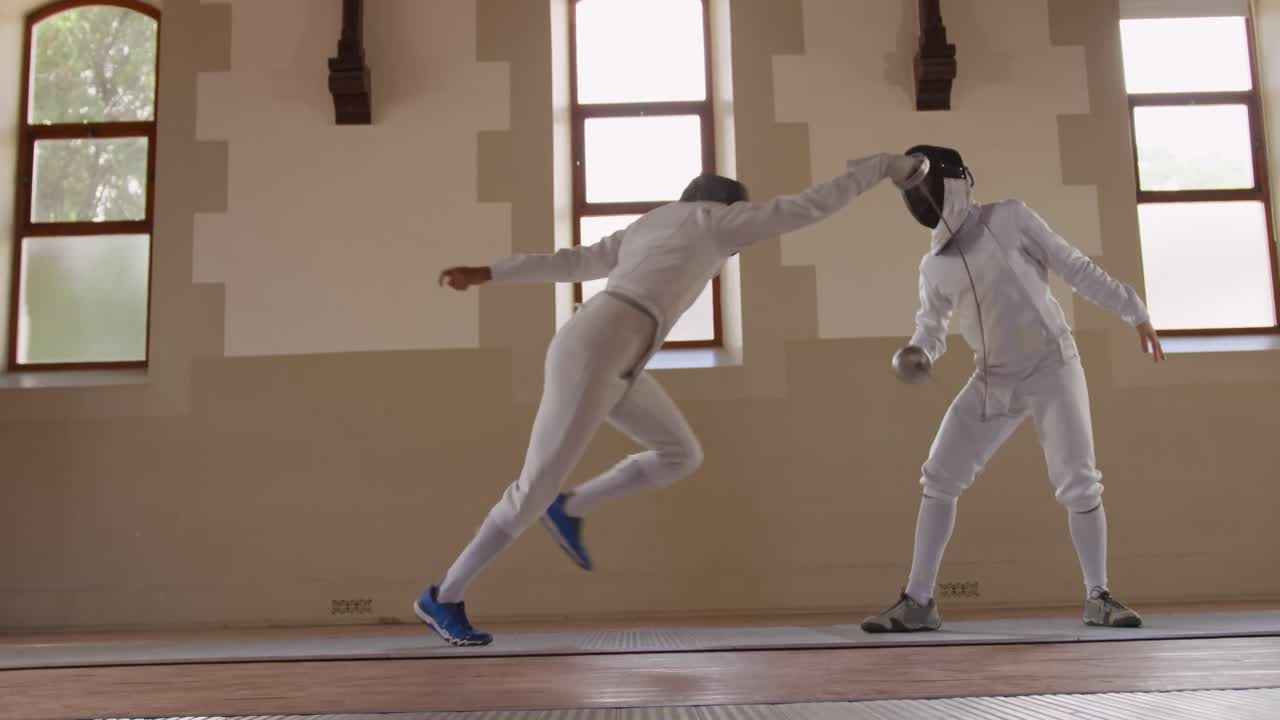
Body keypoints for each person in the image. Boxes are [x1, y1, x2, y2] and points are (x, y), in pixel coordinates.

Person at [416, 152, 926, 646]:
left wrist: (491, 272)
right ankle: (445, 595)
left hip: (616, 354)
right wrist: (879, 169)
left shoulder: (650, 224)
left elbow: (575, 260)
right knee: (532, 491)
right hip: (597, 350)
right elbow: (808, 206)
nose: (735, 248)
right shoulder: (714, 220)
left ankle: (572, 506)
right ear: (728, 209)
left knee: (681, 454)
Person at [862, 144, 1165, 633]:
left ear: (951, 181)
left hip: (1053, 366)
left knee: (1078, 480)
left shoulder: (1010, 218)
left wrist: (1135, 310)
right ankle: (918, 602)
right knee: (940, 474)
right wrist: (919, 352)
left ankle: (1099, 595)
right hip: (992, 378)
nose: (919, 194)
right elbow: (932, 328)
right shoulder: (933, 266)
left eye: (922, 182)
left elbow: (1073, 267)